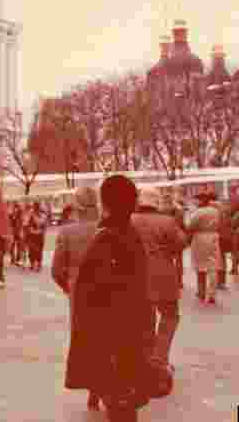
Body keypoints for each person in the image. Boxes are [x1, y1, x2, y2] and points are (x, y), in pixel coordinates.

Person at [64, 175, 154, 421]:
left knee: (119, 405)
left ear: (106, 203)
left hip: (110, 338)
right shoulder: (130, 234)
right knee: (126, 403)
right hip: (132, 332)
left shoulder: (106, 238)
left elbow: (89, 297)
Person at [130, 188, 186, 372]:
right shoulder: (167, 222)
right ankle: (159, 359)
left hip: (134, 277)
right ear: (157, 203)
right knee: (170, 316)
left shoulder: (128, 221)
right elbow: (181, 243)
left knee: (141, 319)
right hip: (163, 276)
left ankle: (143, 359)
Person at [51, 186, 101, 309]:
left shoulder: (67, 232)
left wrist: (69, 286)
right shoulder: (110, 229)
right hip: (107, 292)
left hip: (78, 290)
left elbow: (57, 271)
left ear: (76, 207)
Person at [185, 192, 221, 305]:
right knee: (213, 266)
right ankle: (212, 294)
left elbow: (190, 226)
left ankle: (201, 292)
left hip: (200, 238)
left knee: (200, 266)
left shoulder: (198, 212)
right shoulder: (216, 211)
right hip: (214, 236)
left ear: (200, 201)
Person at [25, 204, 49, 272]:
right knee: (32, 250)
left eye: (38, 208)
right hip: (32, 235)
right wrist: (31, 230)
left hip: (40, 236)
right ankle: (33, 264)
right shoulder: (30, 215)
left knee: (39, 250)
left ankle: (38, 264)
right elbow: (26, 224)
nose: (37, 210)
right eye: (36, 208)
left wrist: (42, 231)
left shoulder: (43, 216)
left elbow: (45, 226)